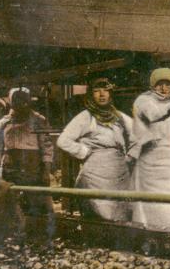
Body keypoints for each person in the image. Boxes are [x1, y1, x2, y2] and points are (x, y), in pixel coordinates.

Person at [57, 77, 134, 222]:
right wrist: (83, 151)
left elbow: (138, 132)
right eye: (97, 91)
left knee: (121, 213)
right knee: (99, 214)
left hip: (119, 172)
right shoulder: (85, 117)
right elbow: (63, 140)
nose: (102, 94)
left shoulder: (119, 116)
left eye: (105, 90)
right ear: (91, 95)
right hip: (95, 173)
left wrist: (131, 155)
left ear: (111, 93)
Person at [129, 68, 170, 231]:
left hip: (168, 159)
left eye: (168, 84)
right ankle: (148, 229)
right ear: (153, 85)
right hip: (149, 158)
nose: (164, 88)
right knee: (150, 200)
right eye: (160, 84)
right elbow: (153, 115)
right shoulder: (144, 100)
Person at [1, 86, 55, 244]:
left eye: (24, 99)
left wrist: (46, 171)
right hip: (11, 169)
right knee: (12, 201)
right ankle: (17, 235)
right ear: (10, 101)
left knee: (35, 201)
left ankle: (38, 237)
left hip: (32, 168)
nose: (20, 103)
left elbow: (47, 147)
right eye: (16, 99)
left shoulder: (39, 120)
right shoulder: (3, 123)